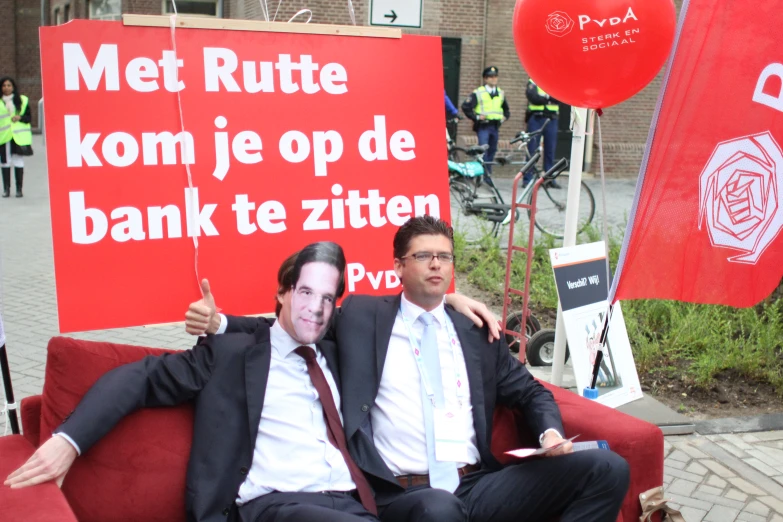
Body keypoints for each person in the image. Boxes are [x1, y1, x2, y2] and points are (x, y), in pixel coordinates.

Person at [200, 216, 630, 522]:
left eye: (445, 256)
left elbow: (532, 392)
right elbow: (294, 324)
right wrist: (220, 323)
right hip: (404, 494)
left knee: (608, 468)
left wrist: (549, 433)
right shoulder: (362, 318)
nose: (437, 264)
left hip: (475, 484)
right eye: (424, 255)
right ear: (398, 267)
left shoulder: (476, 331)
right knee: (437, 509)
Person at [6, 243, 381, 522]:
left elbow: (398, 311)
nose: (316, 308)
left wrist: (443, 302)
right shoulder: (229, 355)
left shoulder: (337, 349)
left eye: (327, 298)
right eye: (305, 293)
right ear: (282, 293)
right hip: (278, 506)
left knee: (436, 508)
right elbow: (141, 379)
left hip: (351, 501)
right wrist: (67, 442)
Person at [461, 66, 509, 178]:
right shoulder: (478, 92)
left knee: (492, 150)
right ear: (485, 79)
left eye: (495, 76)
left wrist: (503, 118)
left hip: (495, 127)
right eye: (491, 77)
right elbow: (466, 106)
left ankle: (486, 175)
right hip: (483, 126)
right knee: (483, 151)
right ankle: (482, 175)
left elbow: (506, 111)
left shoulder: (501, 93)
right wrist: (476, 117)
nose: (494, 79)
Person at [525, 78, 561, 189]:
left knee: (550, 150)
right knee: (532, 149)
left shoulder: (556, 81)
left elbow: (560, 98)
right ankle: (528, 179)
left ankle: (549, 179)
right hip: (536, 118)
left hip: (552, 119)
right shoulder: (533, 81)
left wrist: (545, 98)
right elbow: (533, 98)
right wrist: (548, 98)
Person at [0, 77, 33, 198]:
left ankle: (19, 189)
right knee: (5, 162)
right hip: (4, 137)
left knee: (18, 161)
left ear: (13, 87)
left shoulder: (22, 101)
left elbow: (29, 118)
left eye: (9, 85)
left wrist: (20, 118)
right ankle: (6, 189)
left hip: (18, 137)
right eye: (4, 85)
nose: (6, 88)